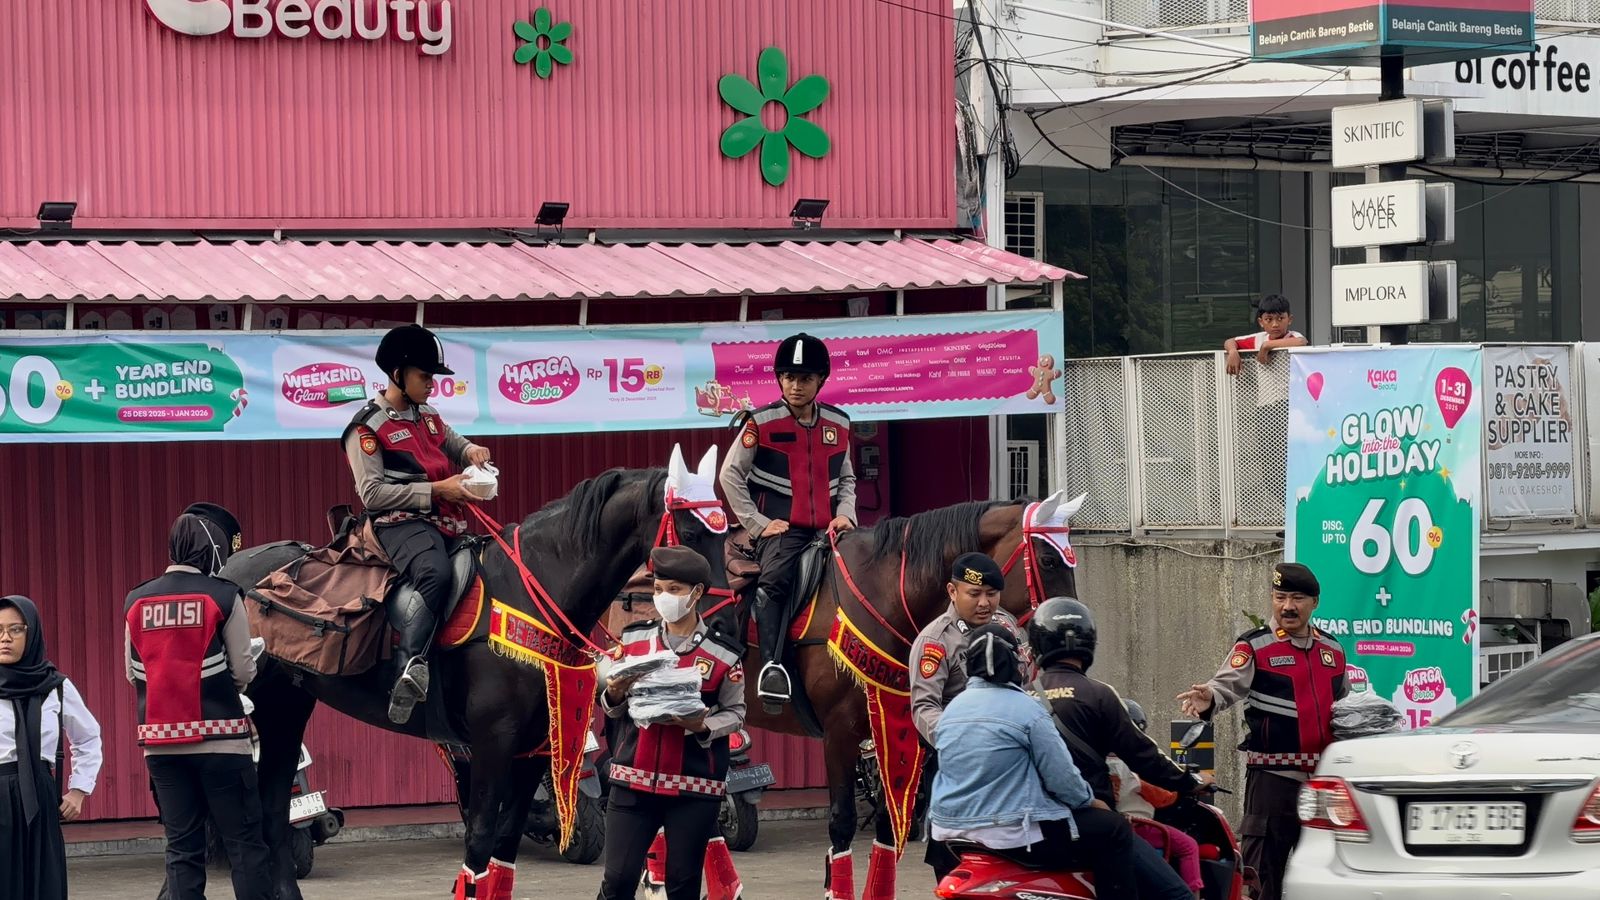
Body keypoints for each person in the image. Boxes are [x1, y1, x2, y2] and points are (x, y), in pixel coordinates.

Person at [343, 323, 492, 724]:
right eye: (425, 376)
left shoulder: (426, 415)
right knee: (435, 573)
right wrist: (438, 490)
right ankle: (409, 668)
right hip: (399, 524)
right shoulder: (366, 429)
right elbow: (371, 494)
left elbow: (452, 442)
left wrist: (471, 450)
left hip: (446, 520)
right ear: (398, 375)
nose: (432, 384)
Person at [929, 625, 1140, 897]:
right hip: (1013, 834)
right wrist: (1090, 801)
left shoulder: (951, 711)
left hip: (953, 834)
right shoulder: (1028, 708)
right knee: (1115, 830)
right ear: (1016, 661)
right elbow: (1062, 778)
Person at [1178, 562, 1348, 900]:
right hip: (1273, 780)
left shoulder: (1333, 650)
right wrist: (1208, 696)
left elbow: (1344, 708)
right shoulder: (1255, 646)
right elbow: (1226, 685)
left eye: (1297, 598)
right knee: (1262, 877)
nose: (1287, 606)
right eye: (1280, 597)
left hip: (1323, 784)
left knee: (1325, 873)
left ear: (1314, 603)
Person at [597, 546, 747, 900]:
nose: (664, 597)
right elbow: (613, 709)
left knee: (682, 886)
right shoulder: (633, 640)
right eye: (659, 589)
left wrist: (702, 726)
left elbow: (737, 714)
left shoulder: (724, 654)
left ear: (696, 593)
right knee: (617, 881)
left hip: (693, 789)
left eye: (674, 590)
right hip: (632, 781)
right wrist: (615, 692)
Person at [1029, 596, 1200, 900]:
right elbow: (1143, 755)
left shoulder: (1022, 696)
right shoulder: (1098, 694)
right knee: (1180, 896)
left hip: (1030, 827)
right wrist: (1190, 782)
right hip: (1090, 824)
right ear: (1088, 641)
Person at [719, 332, 856, 707]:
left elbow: (846, 478)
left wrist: (846, 514)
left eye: (806, 378)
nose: (796, 385)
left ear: (821, 381)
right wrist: (758, 524)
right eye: (789, 377)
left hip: (831, 529)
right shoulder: (758, 423)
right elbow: (730, 475)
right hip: (783, 531)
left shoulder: (839, 423)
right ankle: (772, 667)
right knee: (773, 581)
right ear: (779, 379)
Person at [1, 595, 102, 900]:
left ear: (32, 634)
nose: (5, 638)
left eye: (16, 630)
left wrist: (79, 789)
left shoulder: (55, 685)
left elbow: (88, 737)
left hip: (40, 795)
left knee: (43, 881)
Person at [910, 552, 1019, 744]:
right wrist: (961, 741)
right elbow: (925, 707)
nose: (984, 603)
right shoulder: (935, 641)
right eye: (974, 594)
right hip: (961, 747)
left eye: (992, 594)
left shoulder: (1006, 625)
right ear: (953, 591)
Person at [1109, 700, 1205, 899]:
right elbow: (1164, 798)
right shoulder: (1133, 765)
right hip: (1138, 827)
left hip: (1108, 826)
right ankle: (1193, 895)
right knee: (1189, 846)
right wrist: (1184, 786)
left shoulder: (1096, 759)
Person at [1223, 293, 1305, 376]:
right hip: (1266, 388)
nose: (1275, 324)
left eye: (1280, 318)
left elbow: (1301, 341)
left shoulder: (1292, 336)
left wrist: (1266, 345)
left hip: (1293, 388)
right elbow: (1230, 341)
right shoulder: (1258, 339)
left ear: (1289, 319)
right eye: (1269, 319)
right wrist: (1233, 352)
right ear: (1261, 322)